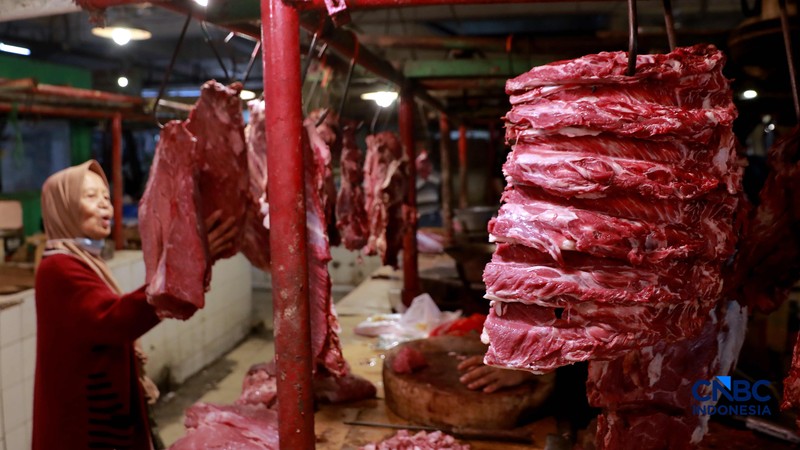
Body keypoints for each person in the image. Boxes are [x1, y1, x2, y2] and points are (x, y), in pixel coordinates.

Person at [32, 160, 236, 450]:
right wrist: (186, 265)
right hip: (88, 428)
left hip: (100, 417)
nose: (105, 206)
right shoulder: (59, 268)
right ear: (61, 206)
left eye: (106, 196)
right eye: (91, 197)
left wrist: (190, 264)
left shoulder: (80, 260)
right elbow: (115, 320)